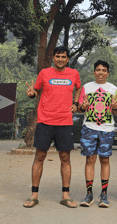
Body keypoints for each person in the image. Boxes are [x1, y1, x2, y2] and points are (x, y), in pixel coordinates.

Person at [23, 46, 81, 208]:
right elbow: (36, 91)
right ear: (53, 58)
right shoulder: (44, 73)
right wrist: (31, 93)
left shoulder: (74, 74)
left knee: (65, 158)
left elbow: (78, 87)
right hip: (45, 121)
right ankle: (34, 195)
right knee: (39, 157)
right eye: (58, 56)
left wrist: (75, 103)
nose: (60, 59)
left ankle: (66, 196)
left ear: (67, 59)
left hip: (65, 122)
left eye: (63, 57)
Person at [78, 60, 117, 208]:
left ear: (108, 73)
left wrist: (116, 107)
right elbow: (81, 108)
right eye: (98, 70)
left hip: (107, 129)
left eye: (104, 70)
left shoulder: (113, 88)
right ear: (94, 72)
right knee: (90, 160)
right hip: (89, 128)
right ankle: (89, 195)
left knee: (105, 160)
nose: (101, 72)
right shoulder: (86, 87)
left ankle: (104, 195)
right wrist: (82, 107)